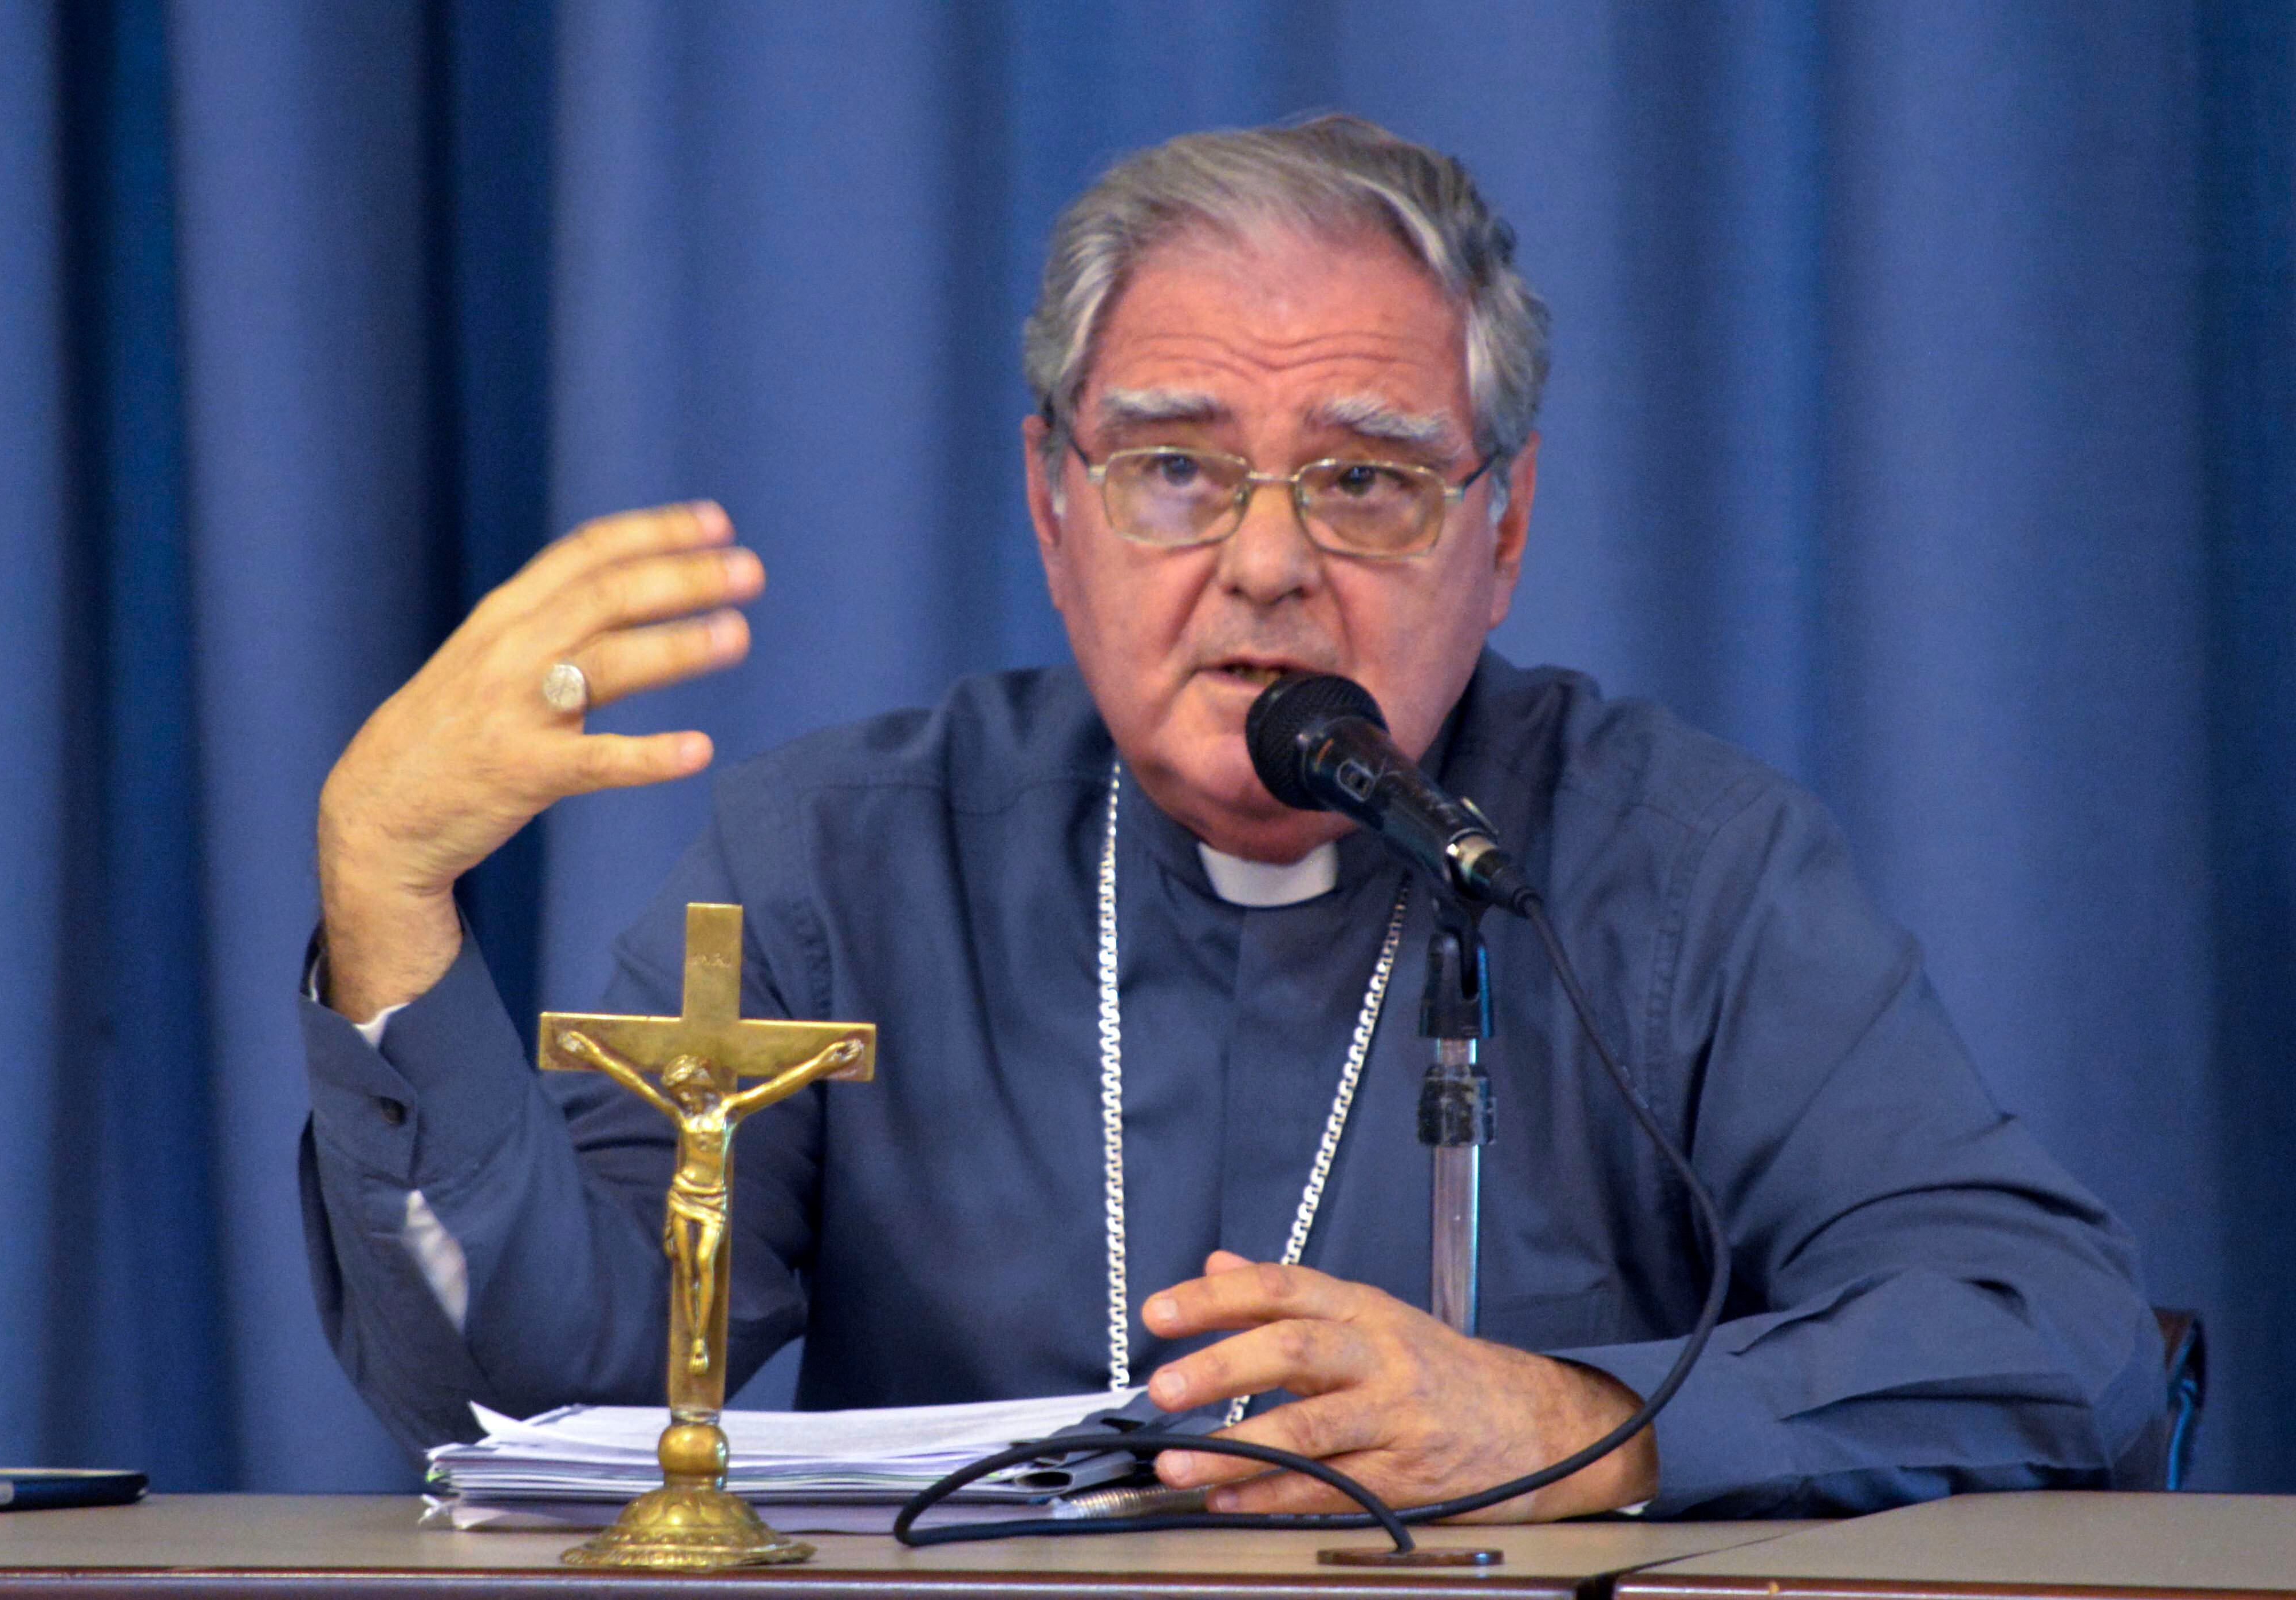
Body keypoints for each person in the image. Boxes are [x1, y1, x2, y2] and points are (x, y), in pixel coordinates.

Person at [298, 116, 2167, 1520]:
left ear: (1499, 532)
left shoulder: (1679, 865)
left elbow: (2055, 1337)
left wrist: (1581, 1424)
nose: (1266, 563)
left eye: (1364, 479)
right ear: (1056, 510)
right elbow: (533, 1408)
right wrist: (389, 896)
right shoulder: (843, 858)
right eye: (1176, 468)